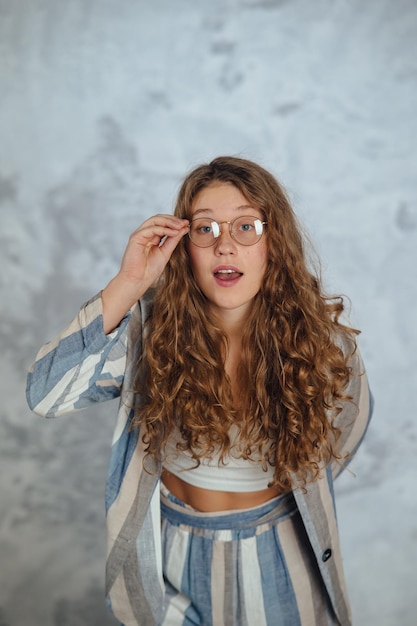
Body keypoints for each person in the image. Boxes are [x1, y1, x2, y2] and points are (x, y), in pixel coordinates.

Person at [27, 156, 372, 626]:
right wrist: (130, 283)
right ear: (182, 244)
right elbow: (46, 395)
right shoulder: (147, 333)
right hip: (172, 556)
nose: (225, 246)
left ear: (275, 241)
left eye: (246, 226)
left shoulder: (324, 345)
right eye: (205, 229)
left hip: (282, 550)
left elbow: (342, 438)